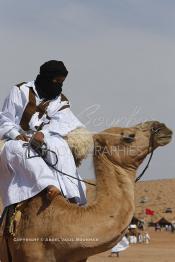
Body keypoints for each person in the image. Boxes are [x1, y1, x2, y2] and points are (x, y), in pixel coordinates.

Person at [0, 60, 87, 210]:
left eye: (62, 82)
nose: (59, 85)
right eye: (56, 81)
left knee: (60, 146)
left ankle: (73, 196)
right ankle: (49, 185)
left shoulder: (61, 100)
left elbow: (63, 123)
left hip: (45, 139)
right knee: (20, 148)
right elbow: (4, 119)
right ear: (46, 78)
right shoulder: (20, 91)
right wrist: (15, 134)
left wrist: (43, 133)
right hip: (17, 140)